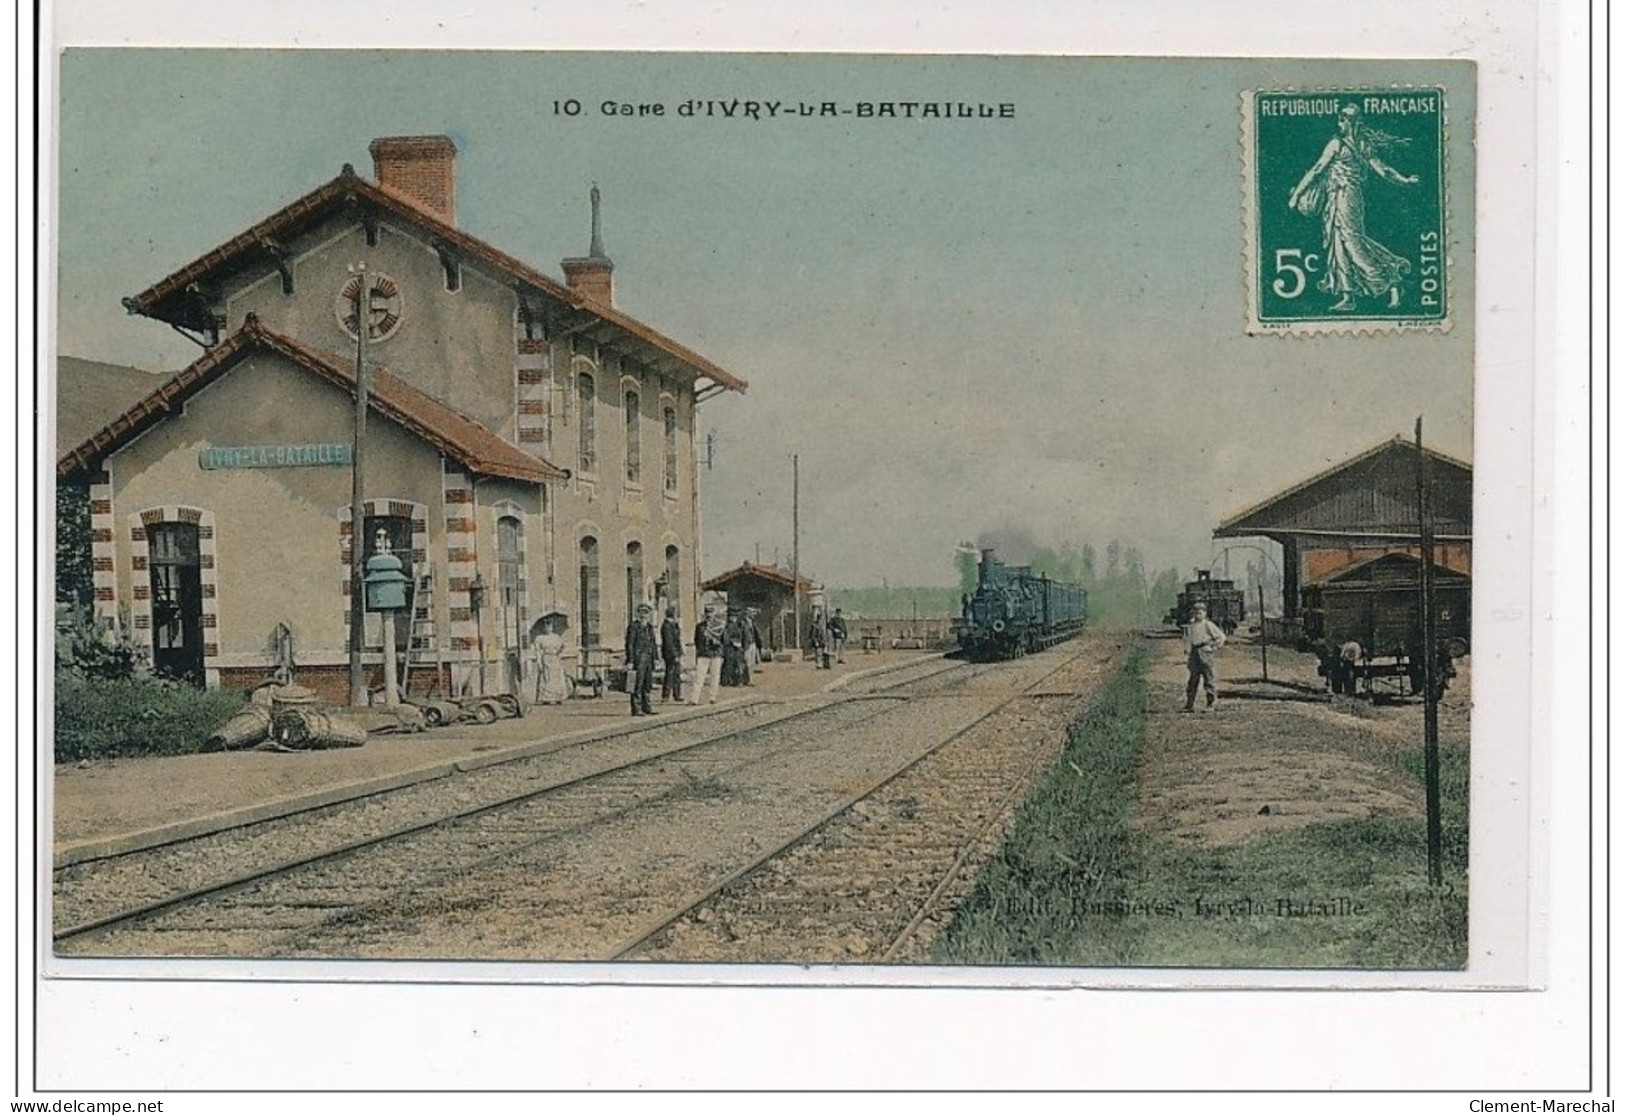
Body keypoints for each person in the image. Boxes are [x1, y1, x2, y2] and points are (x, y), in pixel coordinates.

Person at [1287, 103, 1420, 312]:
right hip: (1339, 198)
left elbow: (1317, 170)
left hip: (1346, 197)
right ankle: (1347, 295)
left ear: (1351, 122)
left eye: (1344, 118)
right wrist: (1405, 180)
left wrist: (1296, 194)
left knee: (1351, 243)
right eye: (1340, 118)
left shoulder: (1340, 144)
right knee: (1340, 242)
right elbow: (1383, 170)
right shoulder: (1357, 144)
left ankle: (1392, 281)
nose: (1340, 121)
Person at [1183, 601, 1226, 712]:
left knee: (1208, 679)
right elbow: (1187, 639)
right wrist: (1187, 651)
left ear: (1205, 613)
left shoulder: (1208, 624)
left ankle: (1210, 704)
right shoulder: (1191, 625)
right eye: (1196, 612)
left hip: (1205, 652)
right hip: (1194, 653)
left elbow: (1221, 637)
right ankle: (1189, 704)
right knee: (1193, 680)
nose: (1198, 614)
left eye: (1201, 612)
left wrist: (1213, 647)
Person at [623, 602, 658, 716]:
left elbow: (653, 643)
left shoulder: (649, 627)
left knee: (647, 683)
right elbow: (630, 644)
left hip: (648, 657)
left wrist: (656, 658)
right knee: (637, 683)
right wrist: (630, 660)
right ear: (638, 614)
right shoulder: (634, 627)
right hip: (638, 658)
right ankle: (636, 708)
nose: (644, 616)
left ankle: (647, 706)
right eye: (642, 613)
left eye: (646, 613)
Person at [689, 603, 725, 705]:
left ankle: (713, 697)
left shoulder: (719, 625)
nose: (709, 616)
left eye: (711, 613)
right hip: (703, 654)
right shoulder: (700, 626)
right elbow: (696, 640)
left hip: (715, 653)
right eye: (707, 613)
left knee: (715, 676)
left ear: (714, 614)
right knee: (699, 677)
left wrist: (718, 646)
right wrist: (699, 650)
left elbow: (723, 640)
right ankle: (694, 699)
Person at [532, 613, 571, 705]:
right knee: (546, 677)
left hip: (555, 658)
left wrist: (560, 652)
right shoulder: (540, 638)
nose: (548, 628)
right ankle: (546, 698)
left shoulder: (556, 637)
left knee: (556, 677)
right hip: (546, 658)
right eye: (546, 626)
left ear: (552, 627)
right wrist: (539, 662)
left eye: (549, 626)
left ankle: (557, 697)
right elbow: (537, 651)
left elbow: (562, 647)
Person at [659, 605, 685, 702]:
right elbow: (669, 642)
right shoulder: (666, 626)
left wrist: (680, 652)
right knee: (670, 674)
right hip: (670, 654)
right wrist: (675, 655)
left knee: (676, 674)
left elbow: (678, 640)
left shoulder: (674, 624)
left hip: (676, 653)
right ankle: (666, 695)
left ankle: (677, 694)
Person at [721, 606, 750, 687]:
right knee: (728, 665)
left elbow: (745, 636)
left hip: (739, 649)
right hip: (729, 648)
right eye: (731, 617)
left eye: (735, 617)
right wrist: (731, 642)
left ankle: (741, 680)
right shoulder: (726, 626)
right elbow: (725, 636)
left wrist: (744, 647)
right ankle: (728, 681)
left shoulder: (741, 625)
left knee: (740, 664)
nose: (733, 618)